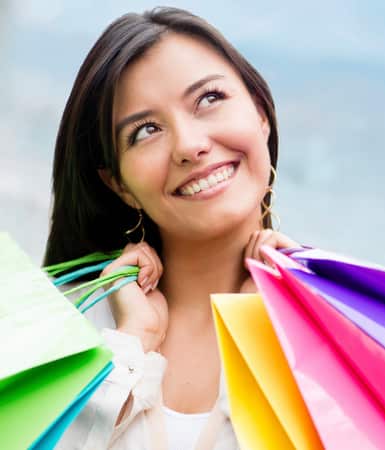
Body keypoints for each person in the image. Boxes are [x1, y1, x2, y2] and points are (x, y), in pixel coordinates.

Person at [44, 7, 299, 449]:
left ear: (260, 112)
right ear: (118, 183)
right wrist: (133, 345)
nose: (189, 145)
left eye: (209, 99)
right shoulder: (62, 334)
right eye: (145, 131)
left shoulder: (347, 332)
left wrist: (262, 347)